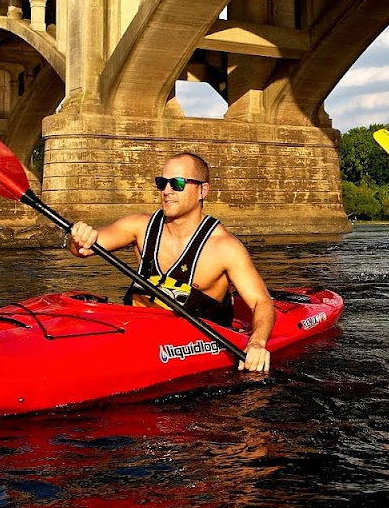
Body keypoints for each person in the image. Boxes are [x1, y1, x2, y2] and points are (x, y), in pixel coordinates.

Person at [66, 151, 276, 372]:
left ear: (202, 190)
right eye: (162, 182)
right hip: (136, 336)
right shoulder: (139, 227)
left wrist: (257, 342)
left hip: (195, 352)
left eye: (177, 183)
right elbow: (83, 249)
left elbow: (261, 302)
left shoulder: (224, 248)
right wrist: (79, 238)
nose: (166, 191)